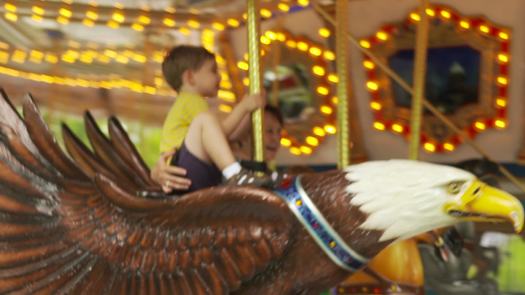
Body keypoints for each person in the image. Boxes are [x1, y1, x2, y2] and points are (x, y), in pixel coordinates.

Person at [157, 45, 270, 193]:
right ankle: (235, 174)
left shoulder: (189, 102)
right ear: (190, 77)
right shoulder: (190, 100)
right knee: (205, 120)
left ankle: (236, 174)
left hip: (187, 169)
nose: (219, 77)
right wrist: (243, 107)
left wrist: (251, 112)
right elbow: (223, 132)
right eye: (213, 70)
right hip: (181, 168)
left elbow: (228, 137)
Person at [152, 105, 284, 193]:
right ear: (247, 132)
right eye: (269, 131)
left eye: (279, 132)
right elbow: (180, 155)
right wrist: (156, 171)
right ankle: (234, 175)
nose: (276, 138)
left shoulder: (267, 174)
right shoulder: (220, 157)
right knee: (204, 119)